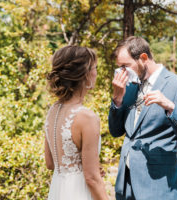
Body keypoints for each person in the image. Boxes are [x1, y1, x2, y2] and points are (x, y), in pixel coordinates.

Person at [108, 36, 177, 200]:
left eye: (125, 66)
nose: (121, 72)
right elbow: (116, 131)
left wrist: (170, 107)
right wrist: (117, 99)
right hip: (126, 186)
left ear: (143, 58)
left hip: (159, 188)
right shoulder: (129, 86)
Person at [44, 45, 108, 200]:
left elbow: (50, 163)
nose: (96, 72)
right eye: (95, 68)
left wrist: (82, 166)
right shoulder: (87, 118)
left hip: (58, 190)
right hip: (79, 193)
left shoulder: (52, 110)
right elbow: (91, 179)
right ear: (85, 74)